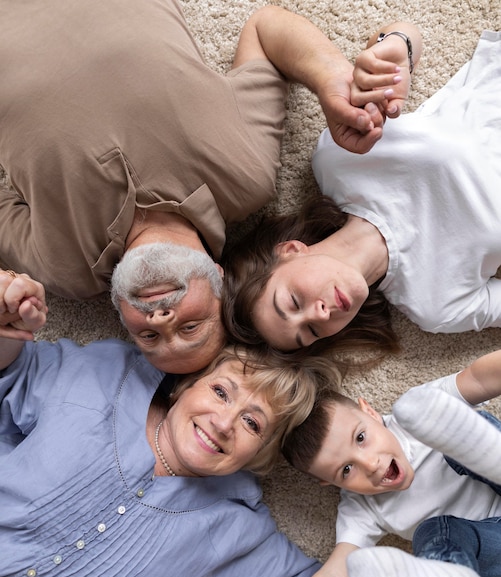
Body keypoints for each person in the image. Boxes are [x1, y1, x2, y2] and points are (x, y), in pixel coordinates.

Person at [0, 0, 393, 375]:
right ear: (219, 281)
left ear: (122, 314)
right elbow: (264, 30)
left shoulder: (65, 269)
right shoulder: (245, 177)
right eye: (190, 328)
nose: (162, 318)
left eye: (149, 335)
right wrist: (331, 81)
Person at [0, 269, 348, 577]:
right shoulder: (106, 376)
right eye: (220, 392)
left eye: (252, 423)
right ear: (188, 383)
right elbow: (11, 374)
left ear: (262, 451)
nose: (224, 423)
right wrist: (6, 315)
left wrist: (361, 525)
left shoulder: (240, 536)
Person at [222, 26, 501, 360]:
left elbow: (405, 36)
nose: (320, 315)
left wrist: (393, 47)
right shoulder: (436, 307)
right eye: (310, 332)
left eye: (294, 302)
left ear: (291, 250)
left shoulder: (338, 158)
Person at [283, 349, 501, 577]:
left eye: (361, 438)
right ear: (329, 482)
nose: (370, 464)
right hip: (495, 547)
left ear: (371, 412)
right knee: (436, 532)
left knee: (464, 431)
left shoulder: (415, 414)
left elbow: (479, 380)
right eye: (346, 470)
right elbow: (335, 575)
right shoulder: (362, 509)